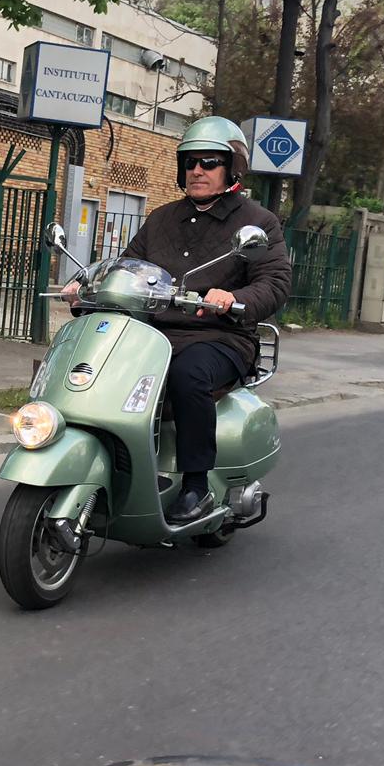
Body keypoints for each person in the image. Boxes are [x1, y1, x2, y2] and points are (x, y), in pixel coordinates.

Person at [65, 116, 292, 522]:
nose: (197, 170)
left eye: (209, 162)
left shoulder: (258, 223)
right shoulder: (161, 219)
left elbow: (274, 282)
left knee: (188, 375)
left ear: (233, 168)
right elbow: (127, 267)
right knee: (92, 367)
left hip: (220, 336)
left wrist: (233, 298)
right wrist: (88, 286)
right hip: (151, 333)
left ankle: (196, 487)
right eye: (190, 162)